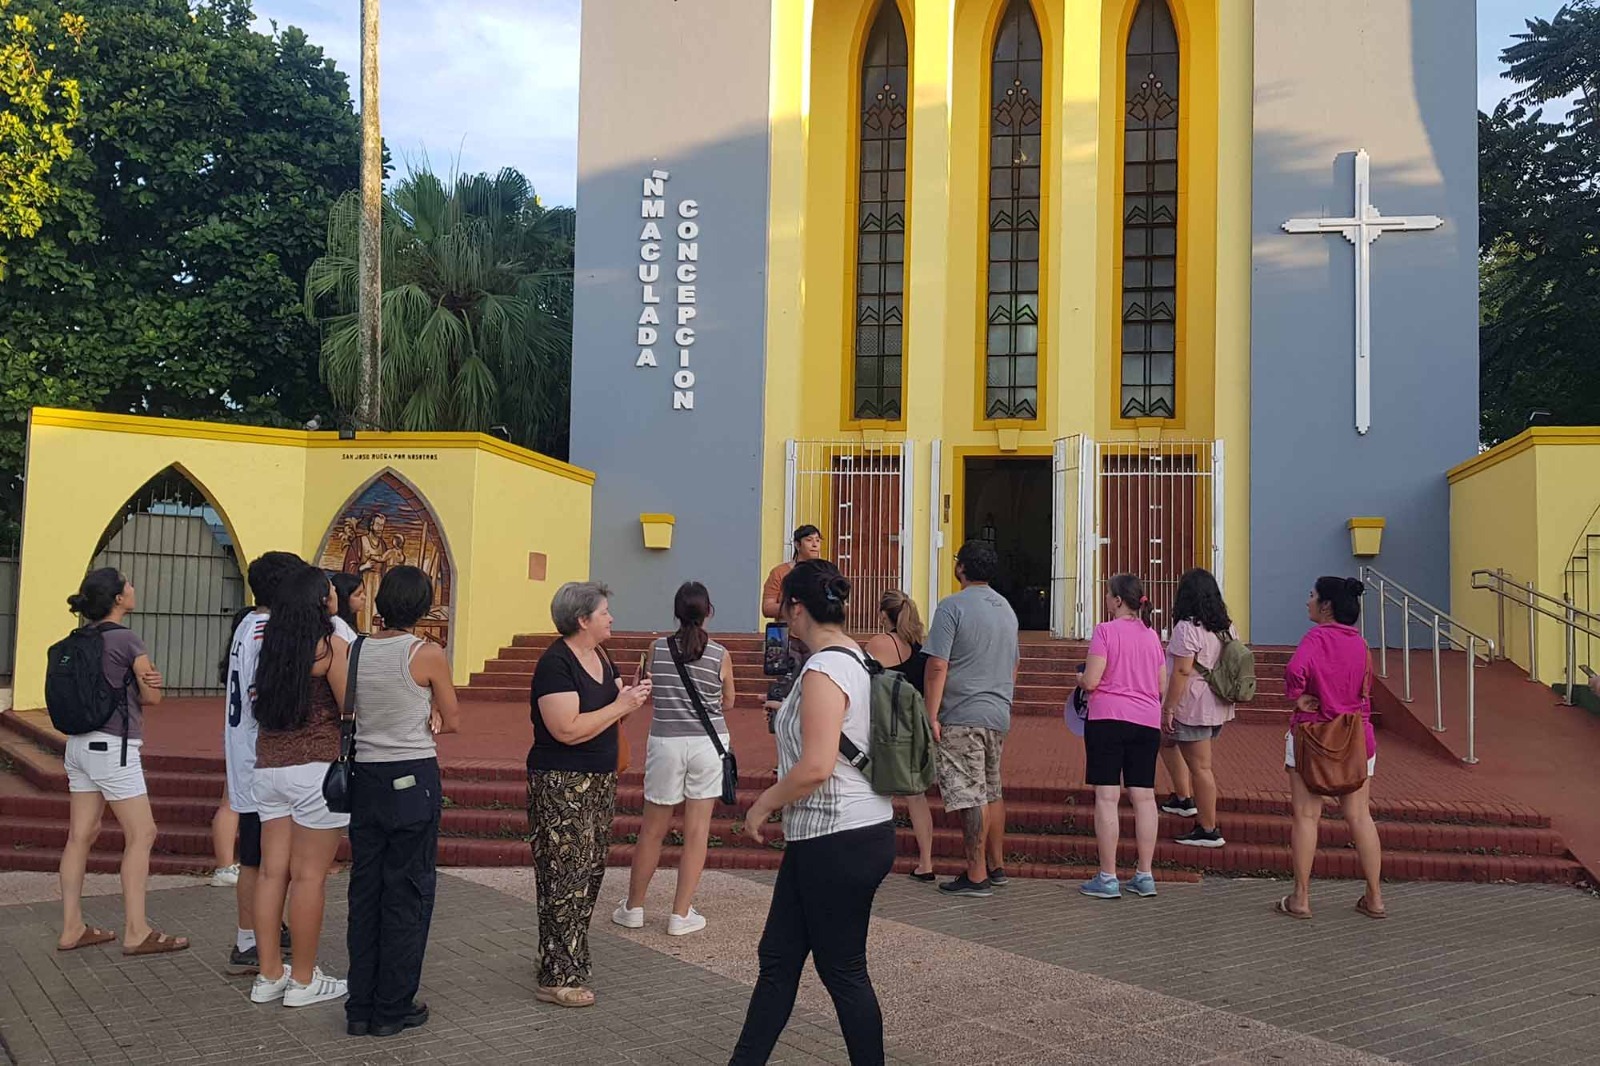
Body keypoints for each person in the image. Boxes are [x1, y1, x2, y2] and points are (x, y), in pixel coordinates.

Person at [731, 560, 894, 1065]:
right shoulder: (856, 657)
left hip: (837, 835)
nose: (779, 617)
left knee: (842, 969)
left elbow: (817, 766)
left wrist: (764, 803)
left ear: (796, 608)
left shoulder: (824, 668)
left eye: (782, 607)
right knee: (779, 959)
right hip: (840, 833)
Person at [345, 566, 460, 1038]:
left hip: (366, 776)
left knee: (366, 891)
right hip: (412, 775)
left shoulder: (355, 650)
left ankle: (360, 1006)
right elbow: (452, 718)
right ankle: (393, 1006)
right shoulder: (425, 653)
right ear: (422, 606)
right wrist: (429, 707)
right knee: (408, 891)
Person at [528, 581, 652, 1008]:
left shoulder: (600, 654)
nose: (611, 618)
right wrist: (621, 706)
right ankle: (558, 976)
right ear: (582, 620)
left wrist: (628, 699)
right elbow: (566, 729)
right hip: (561, 783)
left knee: (589, 871)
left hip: (599, 779)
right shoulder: (556, 664)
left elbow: (607, 715)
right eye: (604, 612)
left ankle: (561, 955)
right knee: (565, 875)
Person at [55, 568, 188, 956]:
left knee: (80, 835)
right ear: (117, 599)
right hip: (114, 746)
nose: (133, 587)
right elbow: (153, 698)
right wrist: (149, 683)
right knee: (142, 833)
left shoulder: (78, 638)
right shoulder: (127, 639)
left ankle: (71, 927)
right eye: (128, 584)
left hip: (78, 744)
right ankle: (136, 930)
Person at [249, 564, 351, 1008]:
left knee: (272, 872)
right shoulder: (330, 646)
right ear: (321, 600)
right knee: (309, 875)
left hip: (269, 767)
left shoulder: (270, 645)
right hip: (315, 770)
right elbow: (350, 707)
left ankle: (269, 974)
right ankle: (304, 980)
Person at [614, 581, 735, 937]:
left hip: (666, 741)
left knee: (652, 829)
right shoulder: (720, 654)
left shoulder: (657, 649)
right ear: (708, 611)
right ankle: (680, 914)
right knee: (697, 831)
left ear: (677, 612)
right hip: (708, 744)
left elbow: (645, 689)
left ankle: (634, 907)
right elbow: (728, 701)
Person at [1277, 576, 1385, 920]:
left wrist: (1298, 696)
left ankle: (1301, 898)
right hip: (1357, 738)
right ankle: (1375, 897)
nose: (1307, 601)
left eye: (1312, 596)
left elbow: (1295, 669)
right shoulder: (1361, 644)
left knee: (1307, 816)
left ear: (1326, 606)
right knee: (1360, 816)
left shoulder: (1316, 638)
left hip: (1313, 735)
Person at [222, 551, 302, 974]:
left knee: (266, 852)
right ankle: (247, 939)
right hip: (258, 756)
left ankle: (266, 926)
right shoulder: (266, 632)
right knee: (256, 856)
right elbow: (265, 696)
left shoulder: (247, 624)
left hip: (245, 751)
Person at [924, 541, 1019, 898]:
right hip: (996, 711)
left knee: (970, 792)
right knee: (992, 789)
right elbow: (1014, 663)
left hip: (962, 712)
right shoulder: (1006, 609)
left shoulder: (952, 606)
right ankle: (996, 865)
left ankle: (976, 874)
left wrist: (931, 714)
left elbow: (938, 664)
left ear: (961, 568)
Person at [1077, 573, 1167, 900]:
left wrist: (1079, 678)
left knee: (1107, 796)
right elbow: (1161, 685)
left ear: (1117, 600)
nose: (1105, 599)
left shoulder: (1105, 631)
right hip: (1147, 720)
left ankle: (1108, 876)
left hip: (1108, 718)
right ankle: (1145, 874)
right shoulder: (1151, 636)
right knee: (1144, 797)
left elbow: (1092, 680)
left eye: (1107, 594)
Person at [1161, 568, 1237, 849]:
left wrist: (1168, 708)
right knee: (1167, 741)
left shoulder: (1187, 628)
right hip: (1216, 701)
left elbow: (1182, 671)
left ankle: (1208, 828)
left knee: (1201, 768)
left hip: (1192, 704)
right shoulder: (1226, 627)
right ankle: (1183, 798)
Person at [862, 589, 935, 881]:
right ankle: (926, 863)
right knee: (917, 796)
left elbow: (861, 679)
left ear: (883, 614)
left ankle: (871, 859)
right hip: (915, 726)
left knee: (877, 791)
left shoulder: (880, 643)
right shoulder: (919, 646)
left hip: (885, 726)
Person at [761, 524, 823, 621]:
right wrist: (793, 608)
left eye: (818, 540)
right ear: (797, 545)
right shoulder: (779, 572)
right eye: (809, 540)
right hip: (787, 628)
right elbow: (767, 608)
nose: (815, 544)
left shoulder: (826, 572)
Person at [329, 571, 365, 642]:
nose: (364, 597)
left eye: (363, 592)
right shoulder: (337, 625)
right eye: (358, 594)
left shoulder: (351, 620)